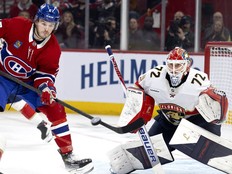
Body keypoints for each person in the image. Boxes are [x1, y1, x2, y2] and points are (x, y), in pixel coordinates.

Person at [0, 3, 93, 173]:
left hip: (26, 83)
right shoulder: (18, 25)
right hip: (2, 77)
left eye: (51, 25)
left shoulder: (53, 49)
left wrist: (46, 88)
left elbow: (46, 75)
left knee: (55, 108)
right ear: (36, 21)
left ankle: (68, 157)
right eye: (44, 23)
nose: (46, 29)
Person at [108, 47, 228, 173]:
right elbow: (137, 88)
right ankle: (123, 165)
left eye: (178, 66)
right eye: (171, 65)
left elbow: (214, 104)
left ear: (187, 66)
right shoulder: (153, 76)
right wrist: (135, 109)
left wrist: (215, 117)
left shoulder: (198, 81)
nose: (174, 70)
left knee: (211, 144)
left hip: (196, 122)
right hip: (168, 121)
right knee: (148, 153)